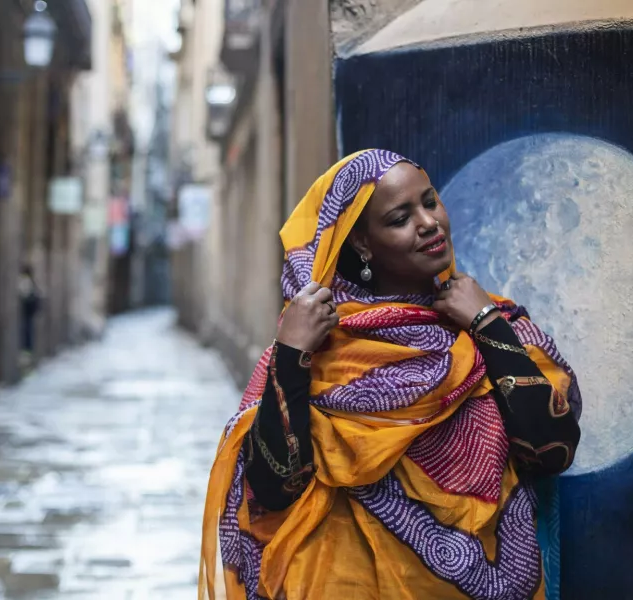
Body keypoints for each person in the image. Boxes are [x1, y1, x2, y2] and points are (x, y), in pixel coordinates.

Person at [200, 150, 582, 600]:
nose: (428, 222)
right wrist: (290, 352)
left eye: (430, 202)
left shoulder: (497, 325)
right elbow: (274, 488)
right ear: (362, 243)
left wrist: (483, 321)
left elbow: (552, 450)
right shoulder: (323, 351)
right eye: (401, 217)